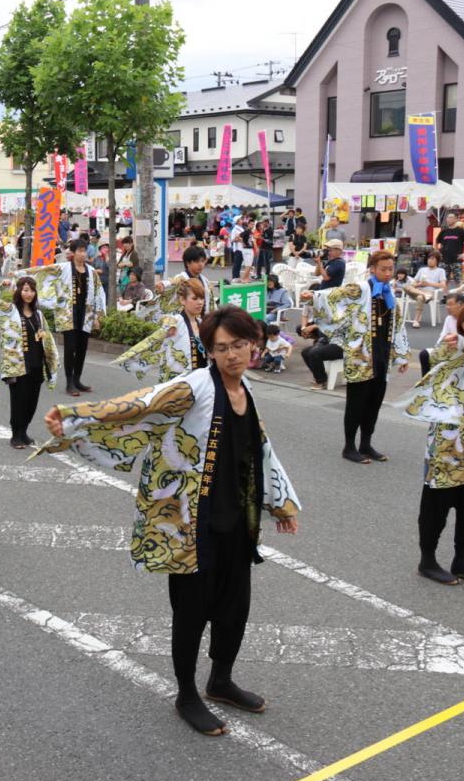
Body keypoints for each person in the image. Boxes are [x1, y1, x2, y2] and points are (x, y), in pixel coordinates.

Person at [41, 306, 300, 736]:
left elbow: (260, 450)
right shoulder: (194, 388)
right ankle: (186, 693)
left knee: (235, 609)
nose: (232, 355)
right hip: (190, 525)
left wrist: (280, 504)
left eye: (239, 345)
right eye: (222, 348)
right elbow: (140, 405)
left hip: (237, 520)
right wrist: (76, 418)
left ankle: (220, 680)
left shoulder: (246, 391)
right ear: (209, 351)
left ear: (254, 344)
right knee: (192, 612)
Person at [399, 301, 464, 587]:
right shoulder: (458, 351)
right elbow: (426, 358)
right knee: (437, 505)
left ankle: (462, 560)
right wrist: (447, 345)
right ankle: (427, 561)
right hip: (448, 446)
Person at [301, 251, 410, 463]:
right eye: (383, 269)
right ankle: (349, 446)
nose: (388, 273)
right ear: (372, 269)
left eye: (390, 269)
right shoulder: (361, 288)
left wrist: (401, 356)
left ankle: (366, 444)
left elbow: (397, 326)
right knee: (356, 403)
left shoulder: (389, 294)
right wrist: (313, 296)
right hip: (360, 355)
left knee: (374, 402)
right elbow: (336, 294)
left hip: (381, 355)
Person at [0, 275, 59, 449]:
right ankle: (16, 435)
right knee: (19, 402)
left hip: (36, 364)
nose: (28, 294)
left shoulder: (38, 314)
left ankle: (24, 432)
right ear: (18, 291)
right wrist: (1, 287)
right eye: (25, 290)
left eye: (31, 290)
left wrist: (51, 358)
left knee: (32, 402)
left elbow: (46, 338)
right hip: (17, 365)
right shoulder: (8, 310)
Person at [116, 278, 209, 383]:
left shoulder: (202, 324)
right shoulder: (176, 321)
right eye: (195, 298)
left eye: (202, 298)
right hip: (176, 380)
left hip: (199, 379)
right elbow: (161, 329)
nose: (200, 302)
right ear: (182, 300)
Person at [51, 239, 105, 396]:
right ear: (73, 253)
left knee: (82, 348)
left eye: (84, 250)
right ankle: (69, 383)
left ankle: (77, 380)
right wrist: (19, 275)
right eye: (79, 251)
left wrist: (97, 315)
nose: (82, 254)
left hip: (85, 315)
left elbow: (99, 294)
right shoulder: (63, 269)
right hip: (69, 314)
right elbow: (43, 274)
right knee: (70, 348)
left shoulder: (91, 271)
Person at [298, 319, 343, 389]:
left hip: (342, 345)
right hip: (330, 341)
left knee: (314, 353)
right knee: (305, 352)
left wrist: (314, 326)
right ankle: (318, 376)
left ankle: (321, 381)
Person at [412, 252, 448, 324]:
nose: (429, 260)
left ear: (437, 261)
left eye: (432, 259)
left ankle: (416, 319)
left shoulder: (440, 271)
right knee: (407, 288)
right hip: (418, 290)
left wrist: (428, 284)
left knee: (420, 297)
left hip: (430, 293)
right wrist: (420, 284)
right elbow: (413, 283)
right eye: (429, 258)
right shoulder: (422, 269)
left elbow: (443, 285)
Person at [437, 213, 464, 284]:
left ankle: (459, 295)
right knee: (444, 281)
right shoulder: (444, 231)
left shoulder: (461, 231)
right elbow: (436, 241)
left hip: (456, 261)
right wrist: (437, 252)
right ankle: (445, 295)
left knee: (459, 281)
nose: (448, 219)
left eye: (450, 217)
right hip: (444, 261)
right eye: (447, 217)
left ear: (456, 219)